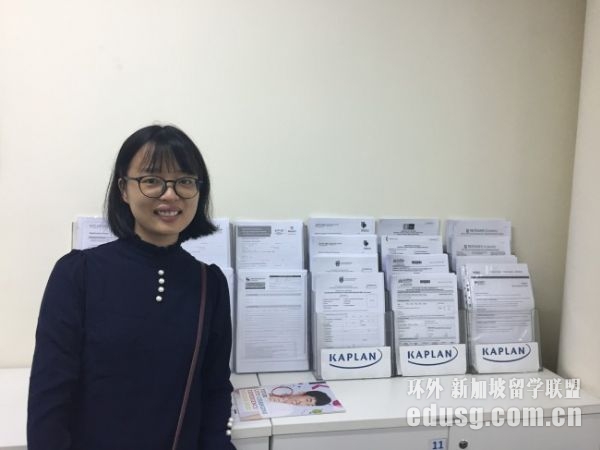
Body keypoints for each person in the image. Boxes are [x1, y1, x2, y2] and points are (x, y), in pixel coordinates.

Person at [27, 125, 235, 450]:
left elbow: (215, 390)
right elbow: (49, 399)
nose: (170, 194)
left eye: (184, 181)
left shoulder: (210, 284)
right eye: (152, 180)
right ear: (124, 189)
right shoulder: (78, 274)